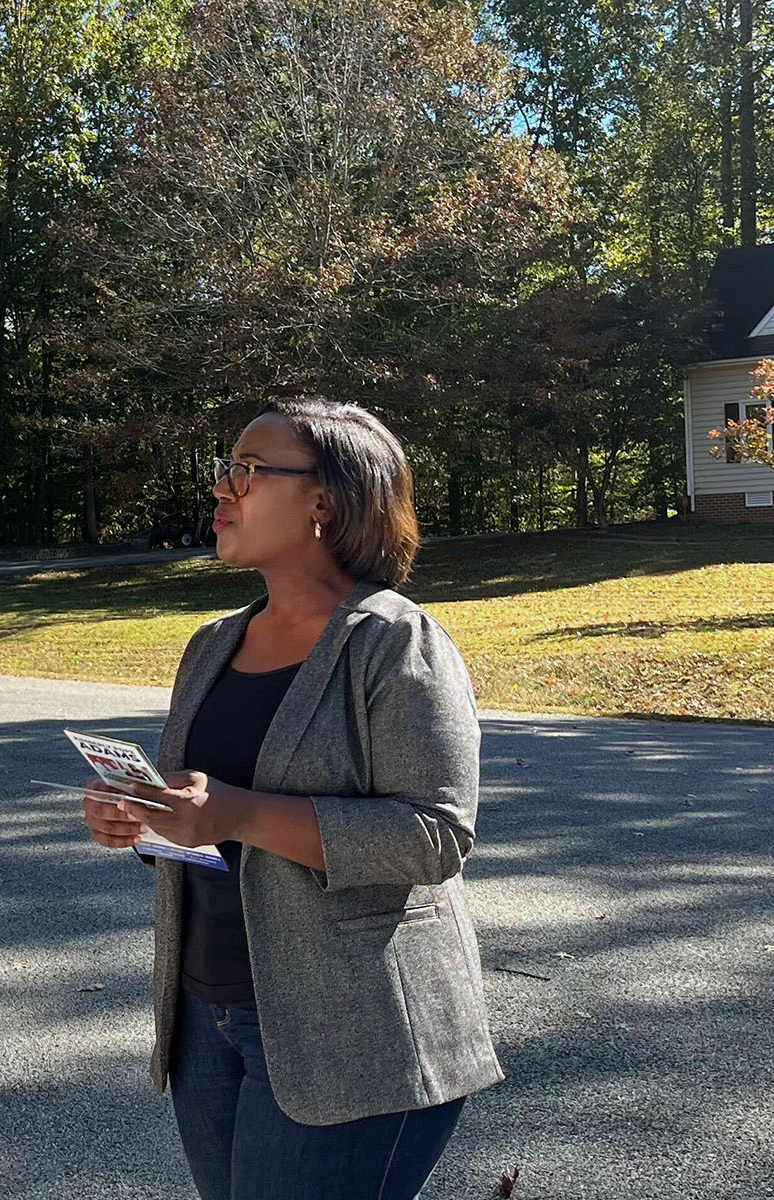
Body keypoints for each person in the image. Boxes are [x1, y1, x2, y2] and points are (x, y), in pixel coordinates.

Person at [83, 398, 503, 1199]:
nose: (223, 489)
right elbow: (207, 824)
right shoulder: (211, 643)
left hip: (353, 1034)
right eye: (225, 469)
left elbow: (434, 836)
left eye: (248, 469)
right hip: (207, 1022)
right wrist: (140, 819)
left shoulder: (394, 640)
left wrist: (238, 811)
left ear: (326, 500)